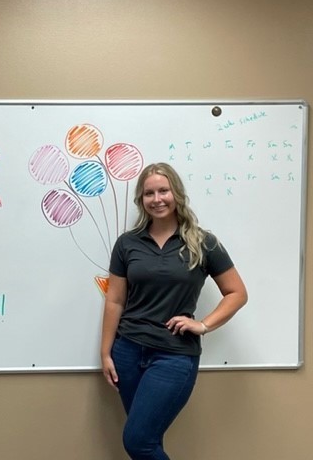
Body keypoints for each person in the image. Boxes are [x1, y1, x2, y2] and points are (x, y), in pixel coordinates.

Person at [100, 162, 247, 460]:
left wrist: (203, 325)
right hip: (127, 352)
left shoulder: (203, 242)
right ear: (141, 199)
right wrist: (105, 353)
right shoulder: (127, 243)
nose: (157, 199)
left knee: (138, 441)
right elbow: (114, 300)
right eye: (149, 193)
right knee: (149, 440)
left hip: (174, 355)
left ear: (176, 193)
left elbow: (237, 293)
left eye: (163, 191)